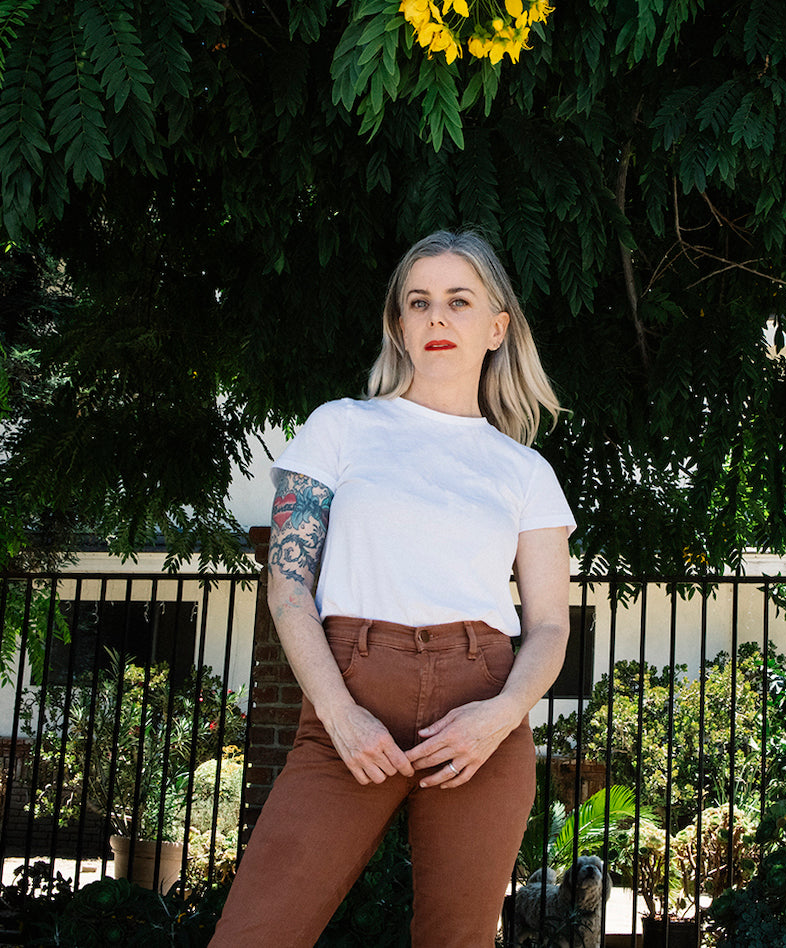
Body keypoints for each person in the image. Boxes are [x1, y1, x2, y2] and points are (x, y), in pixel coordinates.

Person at [209, 231, 575, 947]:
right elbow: (287, 583)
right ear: (398, 326)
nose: (437, 318)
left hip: (479, 714)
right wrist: (339, 713)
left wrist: (498, 716)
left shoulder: (523, 470)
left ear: (496, 327)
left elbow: (551, 628)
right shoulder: (340, 427)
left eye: (458, 301)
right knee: (256, 932)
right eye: (420, 302)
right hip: (351, 695)